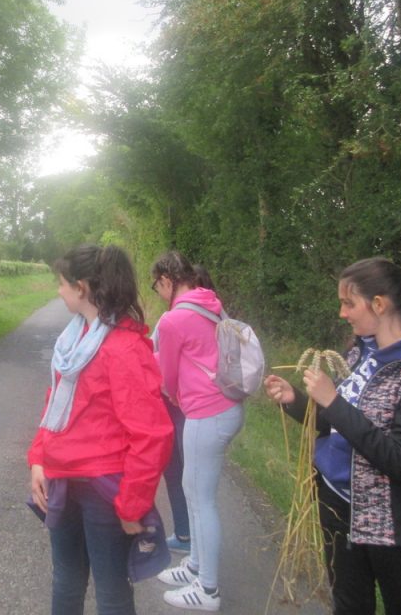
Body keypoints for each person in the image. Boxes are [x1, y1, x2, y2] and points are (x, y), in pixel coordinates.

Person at [263, 257, 401, 615]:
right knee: (349, 607)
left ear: (379, 304)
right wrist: (296, 402)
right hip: (338, 507)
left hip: (397, 530)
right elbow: (337, 424)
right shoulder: (359, 353)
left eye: (348, 303)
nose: (342, 313)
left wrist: (334, 402)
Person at [28, 244, 173, 615]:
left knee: (111, 592)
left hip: (104, 490)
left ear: (81, 288)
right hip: (61, 477)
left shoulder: (124, 349)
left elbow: (152, 434)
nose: (58, 291)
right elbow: (54, 404)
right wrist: (38, 461)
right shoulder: (73, 338)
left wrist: (133, 504)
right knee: (66, 580)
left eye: (61, 284)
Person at [149, 251, 244, 612]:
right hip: (222, 408)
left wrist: (163, 382)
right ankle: (194, 566)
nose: (158, 292)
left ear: (168, 280)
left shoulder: (175, 319)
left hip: (206, 413)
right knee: (193, 492)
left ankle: (207, 590)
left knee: (201, 501)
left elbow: (166, 376)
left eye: (157, 285)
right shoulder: (210, 303)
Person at [154, 263, 218, 557]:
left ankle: (191, 543)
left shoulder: (175, 318)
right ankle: (188, 536)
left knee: (183, 475)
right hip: (197, 404)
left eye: (158, 285)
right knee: (190, 478)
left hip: (179, 403)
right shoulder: (211, 312)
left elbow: (167, 369)